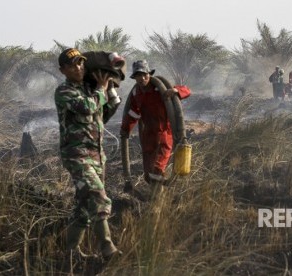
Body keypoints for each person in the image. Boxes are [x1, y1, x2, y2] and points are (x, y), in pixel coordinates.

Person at [54, 48, 122, 264]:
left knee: (84, 209)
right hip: (77, 155)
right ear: (63, 70)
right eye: (73, 65)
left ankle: (71, 254)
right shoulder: (64, 92)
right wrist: (101, 90)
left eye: (81, 63)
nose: (79, 67)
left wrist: (110, 92)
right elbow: (87, 107)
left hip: (97, 156)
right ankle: (107, 246)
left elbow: (104, 115)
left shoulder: (90, 89)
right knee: (97, 196)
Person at [120, 60, 190, 187]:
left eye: (144, 75)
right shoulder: (137, 93)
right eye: (138, 76)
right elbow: (133, 114)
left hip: (164, 134)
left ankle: (160, 199)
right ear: (134, 78)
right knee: (148, 174)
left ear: (149, 74)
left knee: (157, 169)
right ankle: (158, 196)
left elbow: (187, 90)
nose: (142, 78)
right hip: (147, 136)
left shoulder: (160, 88)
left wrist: (175, 91)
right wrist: (125, 129)